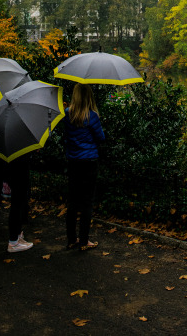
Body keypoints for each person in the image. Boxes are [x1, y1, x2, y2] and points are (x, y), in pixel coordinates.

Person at [63, 83, 105, 251]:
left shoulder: (67, 114)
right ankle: (84, 240)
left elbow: (66, 136)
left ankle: (72, 239)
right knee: (87, 201)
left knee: (72, 201)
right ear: (89, 97)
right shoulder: (92, 116)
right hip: (89, 162)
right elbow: (101, 138)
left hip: (73, 161)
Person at [0, 156, 33, 253]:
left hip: (14, 163)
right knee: (17, 202)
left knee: (19, 201)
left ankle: (17, 235)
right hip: (16, 165)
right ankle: (13, 242)